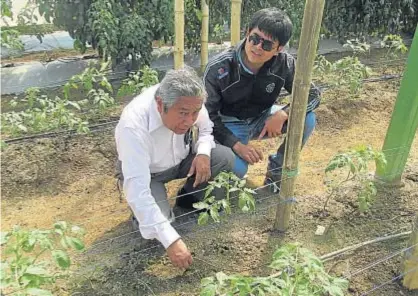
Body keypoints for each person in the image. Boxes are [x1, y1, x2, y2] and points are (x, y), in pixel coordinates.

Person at [115, 68, 234, 269]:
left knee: (223, 158)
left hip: (182, 162)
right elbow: (138, 188)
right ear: (161, 105)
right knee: (160, 228)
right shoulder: (133, 125)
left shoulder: (191, 100)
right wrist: (171, 240)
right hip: (149, 175)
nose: (189, 121)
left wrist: (203, 152)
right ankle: (143, 215)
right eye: (183, 114)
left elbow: (206, 128)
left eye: (194, 113)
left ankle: (189, 198)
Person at [203, 8, 321, 192]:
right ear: (247, 32)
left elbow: (314, 94)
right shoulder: (220, 67)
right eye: (255, 39)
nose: (258, 47)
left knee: (307, 119)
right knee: (237, 172)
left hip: (262, 118)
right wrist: (237, 145)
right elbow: (207, 116)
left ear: (278, 49)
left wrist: (283, 113)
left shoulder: (285, 63)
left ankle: (277, 171)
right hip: (227, 124)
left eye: (267, 45)